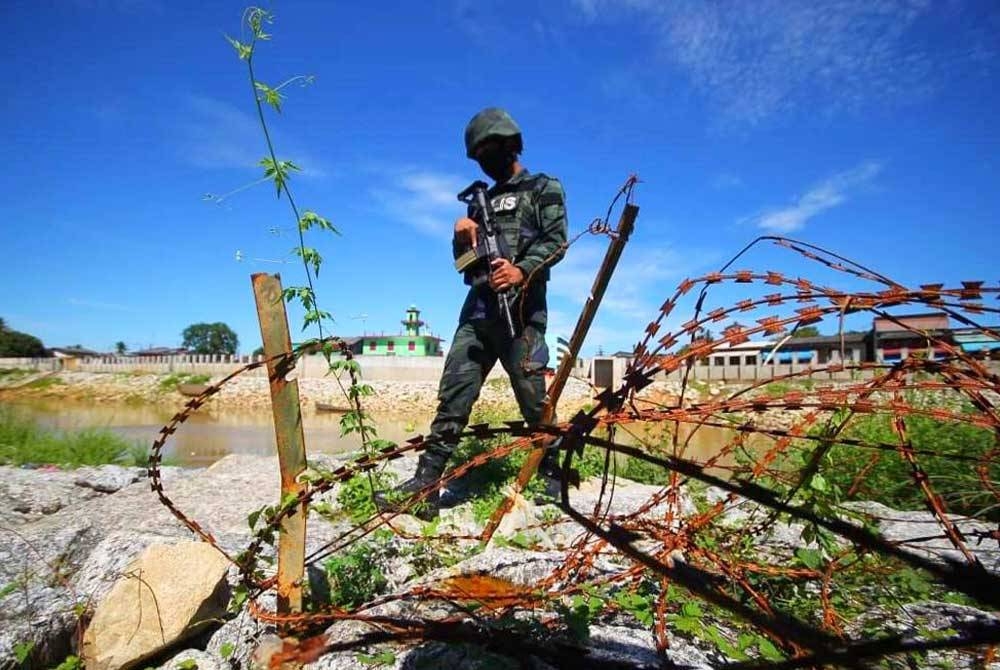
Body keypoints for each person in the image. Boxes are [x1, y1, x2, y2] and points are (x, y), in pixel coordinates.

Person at [375, 107, 568, 520]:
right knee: (453, 395)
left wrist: (520, 270)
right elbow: (463, 266)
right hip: (479, 313)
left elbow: (557, 242)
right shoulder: (480, 203)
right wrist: (461, 237)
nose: (484, 157)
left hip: (523, 312)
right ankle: (426, 484)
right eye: (478, 152)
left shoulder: (542, 187)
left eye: (489, 148)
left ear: (510, 143)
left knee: (534, 399)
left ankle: (554, 470)